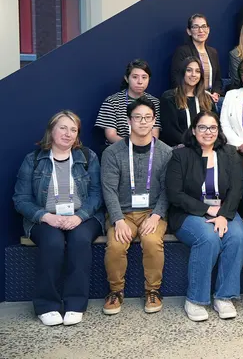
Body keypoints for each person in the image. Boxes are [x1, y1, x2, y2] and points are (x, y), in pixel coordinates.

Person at [13, 111, 104, 326]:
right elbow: (21, 199)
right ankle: (47, 305)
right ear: (51, 130)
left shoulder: (88, 157)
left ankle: (75, 304)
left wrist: (79, 217)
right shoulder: (33, 160)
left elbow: (96, 194)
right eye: (63, 128)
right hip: (44, 219)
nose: (68, 133)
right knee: (53, 243)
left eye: (73, 130)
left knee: (80, 241)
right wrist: (45, 216)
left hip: (84, 217)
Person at [165, 111, 243, 322]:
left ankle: (224, 296)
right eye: (202, 127)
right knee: (208, 237)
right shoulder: (180, 156)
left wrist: (223, 215)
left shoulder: (231, 154)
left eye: (212, 128)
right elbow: (175, 194)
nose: (208, 132)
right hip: (189, 212)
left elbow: (236, 190)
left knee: (237, 237)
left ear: (218, 131)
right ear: (193, 130)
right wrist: (206, 210)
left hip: (224, 210)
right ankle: (195, 299)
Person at [100, 97, 173, 316]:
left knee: (151, 241)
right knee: (115, 244)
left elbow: (167, 190)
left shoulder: (166, 152)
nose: (143, 122)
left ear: (154, 121)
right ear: (129, 121)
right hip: (122, 213)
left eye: (148, 118)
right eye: (138, 117)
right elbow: (108, 189)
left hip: (152, 212)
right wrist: (117, 219)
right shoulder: (112, 153)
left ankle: (153, 291)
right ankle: (115, 291)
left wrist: (157, 215)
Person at [95, 59, 161, 145]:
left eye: (144, 77)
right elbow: (111, 135)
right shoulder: (112, 101)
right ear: (126, 78)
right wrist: (132, 145)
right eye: (135, 77)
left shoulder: (155, 102)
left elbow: (155, 133)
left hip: (147, 149)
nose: (140, 82)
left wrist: (142, 146)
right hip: (120, 149)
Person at [160, 57, 215, 147]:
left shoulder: (207, 98)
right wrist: (193, 144)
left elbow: (214, 125)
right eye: (189, 70)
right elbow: (170, 132)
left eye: (197, 71)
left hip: (205, 146)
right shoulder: (169, 97)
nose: (193, 74)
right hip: (180, 148)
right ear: (182, 73)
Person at [170, 14, 222, 103]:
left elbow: (217, 79)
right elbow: (176, 79)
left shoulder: (213, 52)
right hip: (191, 97)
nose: (201, 30)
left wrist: (216, 93)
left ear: (208, 30)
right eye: (196, 27)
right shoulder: (182, 51)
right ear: (189, 31)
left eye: (203, 27)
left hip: (212, 98)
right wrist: (202, 93)